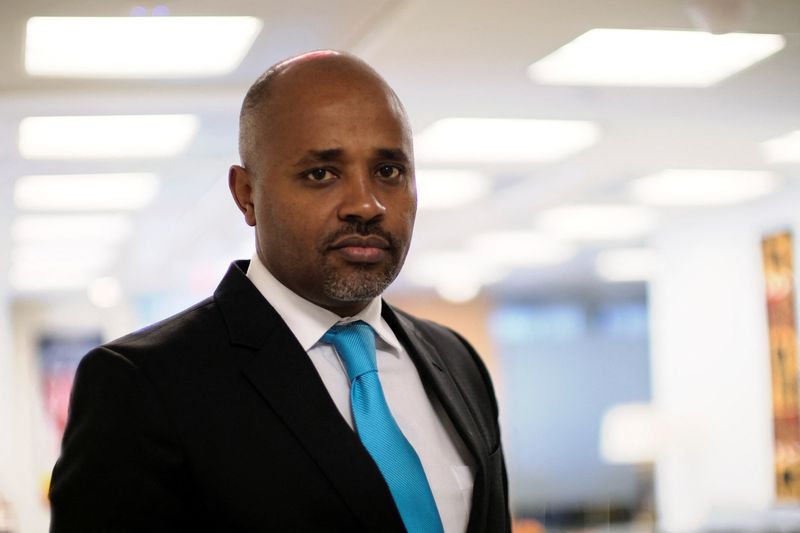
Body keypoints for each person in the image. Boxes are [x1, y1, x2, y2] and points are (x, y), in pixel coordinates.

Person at [49, 50, 510, 533]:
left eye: (388, 171)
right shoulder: (142, 386)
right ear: (246, 193)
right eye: (321, 173)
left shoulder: (456, 361)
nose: (366, 204)